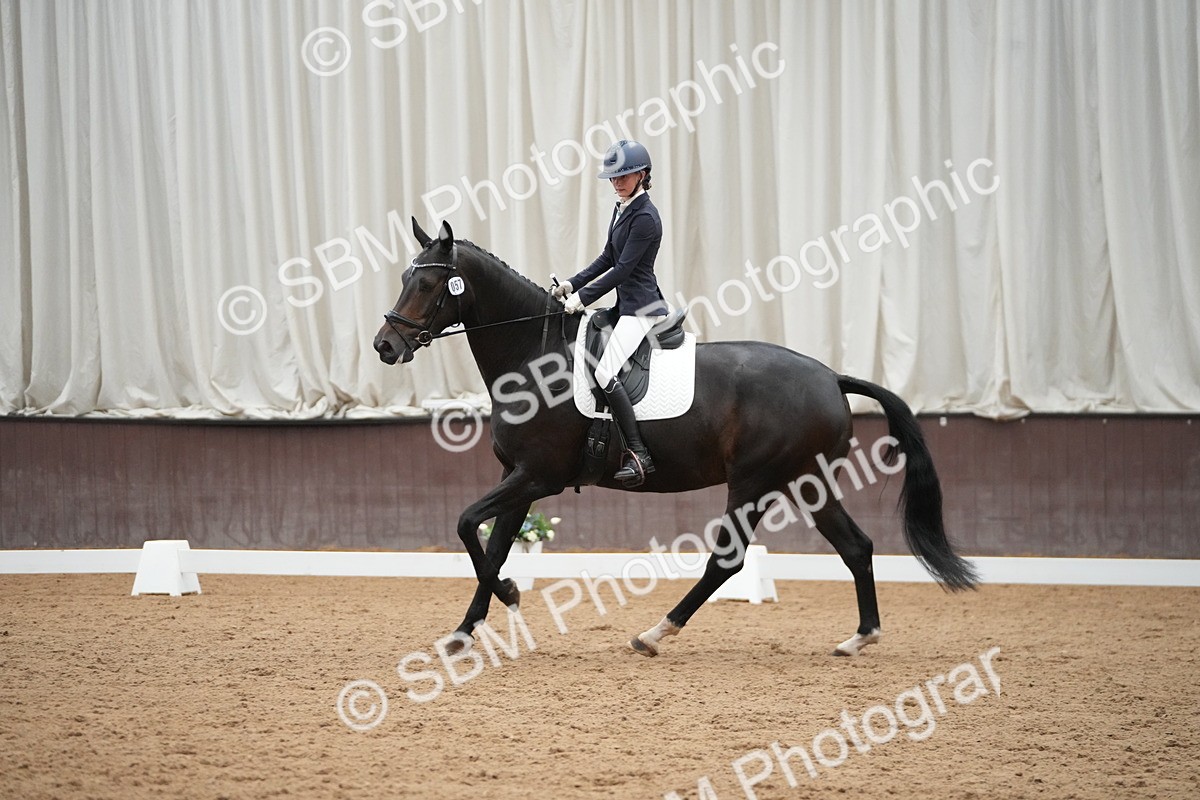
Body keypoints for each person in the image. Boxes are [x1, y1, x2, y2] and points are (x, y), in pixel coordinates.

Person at [552, 140, 668, 487]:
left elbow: (623, 271)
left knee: (604, 373)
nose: (616, 183)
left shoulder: (646, 217)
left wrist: (582, 299)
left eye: (624, 176)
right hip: (624, 306)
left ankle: (638, 453)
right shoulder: (622, 208)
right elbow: (607, 257)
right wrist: (572, 284)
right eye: (613, 178)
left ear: (642, 175)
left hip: (642, 308)